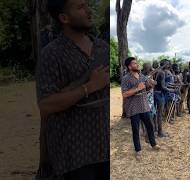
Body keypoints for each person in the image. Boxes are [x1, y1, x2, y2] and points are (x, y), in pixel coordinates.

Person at [36, 0, 109, 179]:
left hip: (105, 147)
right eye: (80, 7)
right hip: (73, 154)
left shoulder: (103, 48)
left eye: (87, 5)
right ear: (64, 18)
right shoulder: (51, 54)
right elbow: (46, 104)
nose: (88, 11)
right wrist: (90, 86)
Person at [121, 57, 160, 160]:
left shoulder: (142, 76)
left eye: (136, 63)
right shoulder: (125, 79)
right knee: (136, 130)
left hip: (144, 106)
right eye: (134, 63)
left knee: (150, 126)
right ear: (129, 67)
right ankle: (138, 150)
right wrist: (137, 88)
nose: (137, 64)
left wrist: (150, 85)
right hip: (133, 108)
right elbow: (124, 94)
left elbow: (146, 88)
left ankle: (153, 144)